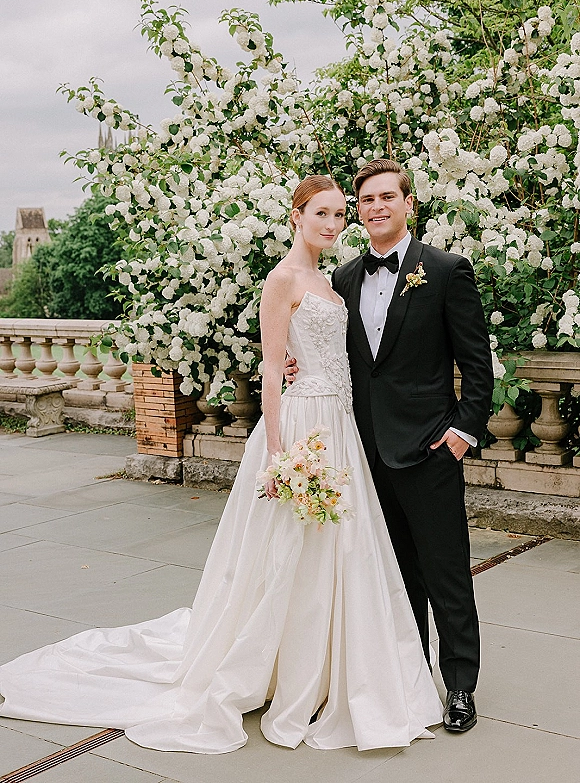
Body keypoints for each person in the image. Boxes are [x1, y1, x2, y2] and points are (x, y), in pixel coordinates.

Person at [0, 175, 442, 754]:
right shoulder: (282, 280)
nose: (334, 224)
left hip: (342, 428)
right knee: (290, 547)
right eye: (322, 214)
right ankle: (282, 668)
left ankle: (336, 666)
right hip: (302, 430)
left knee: (343, 550)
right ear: (296, 218)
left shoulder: (334, 283)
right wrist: (280, 452)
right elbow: (270, 373)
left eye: (340, 214)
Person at [287, 160, 494, 734]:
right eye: (366, 201)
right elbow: (332, 352)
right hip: (365, 453)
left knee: (445, 572)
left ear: (408, 204)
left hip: (430, 450)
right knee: (394, 578)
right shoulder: (345, 279)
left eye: (386, 198)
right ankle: (408, 680)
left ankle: (459, 687)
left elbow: (477, 366)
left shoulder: (448, 271)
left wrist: (460, 434)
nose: (375, 208)